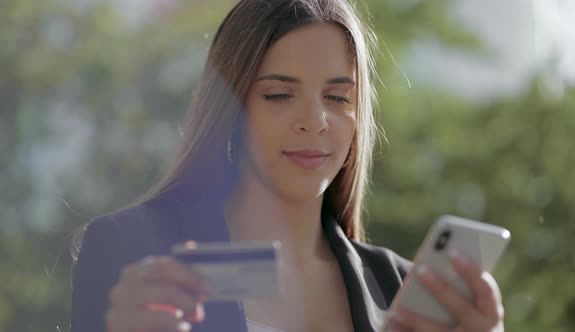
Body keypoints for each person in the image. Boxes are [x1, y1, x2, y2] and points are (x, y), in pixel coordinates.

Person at [71, 0, 505, 331]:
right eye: (279, 95)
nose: (315, 123)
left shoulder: (402, 289)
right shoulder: (130, 251)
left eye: (337, 98)